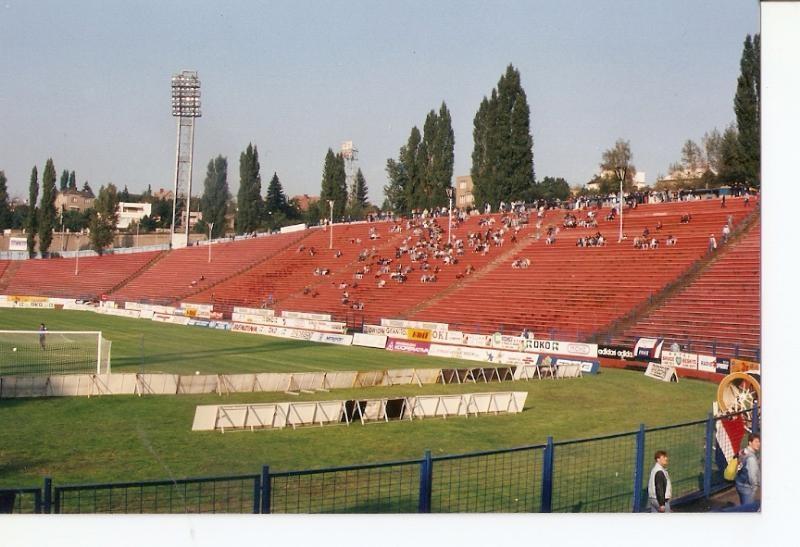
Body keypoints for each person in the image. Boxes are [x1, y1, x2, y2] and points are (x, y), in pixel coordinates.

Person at [735, 433, 761, 505]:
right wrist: (755, 487)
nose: (759, 444)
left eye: (759, 442)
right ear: (750, 442)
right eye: (756, 442)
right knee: (748, 511)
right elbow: (752, 476)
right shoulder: (751, 458)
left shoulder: (743, 451)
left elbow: (740, 466)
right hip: (747, 488)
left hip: (739, 483)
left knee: (743, 507)